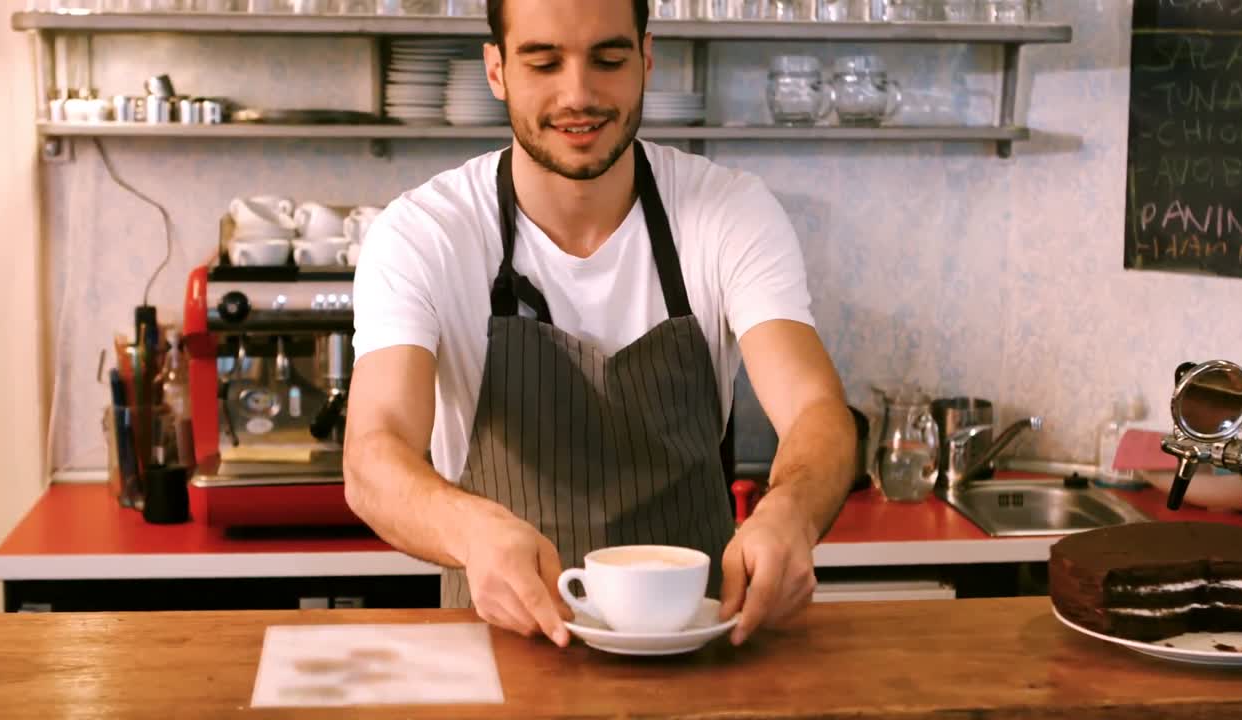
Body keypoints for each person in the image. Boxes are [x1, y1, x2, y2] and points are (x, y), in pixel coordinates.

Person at [344, 0, 857, 648]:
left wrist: (791, 512)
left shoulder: (729, 212)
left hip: (698, 642)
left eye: (608, 60)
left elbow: (816, 409)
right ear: (497, 70)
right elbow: (372, 453)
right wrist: (470, 531)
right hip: (503, 645)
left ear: (646, 60)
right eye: (544, 61)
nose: (579, 94)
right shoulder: (423, 234)